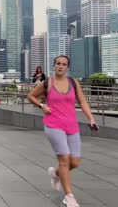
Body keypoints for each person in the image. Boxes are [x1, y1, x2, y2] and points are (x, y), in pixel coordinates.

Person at [27, 55, 98, 207]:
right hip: (53, 124)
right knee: (64, 160)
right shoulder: (48, 83)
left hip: (71, 125)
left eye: (64, 64)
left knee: (75, 162)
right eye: (58, 63)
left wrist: (91, 118)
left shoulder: (73, 82)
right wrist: (42, 106)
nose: (60, 66)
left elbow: (83, 101)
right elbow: (31, 96)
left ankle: (56, 173)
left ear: (67, 68)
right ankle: (69, 196)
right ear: (54, 66)